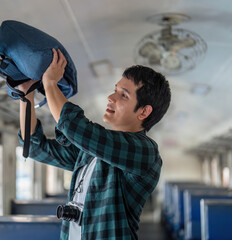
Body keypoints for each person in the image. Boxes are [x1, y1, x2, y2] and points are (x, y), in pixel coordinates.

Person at [18, 48, 171, 240]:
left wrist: (50, 83)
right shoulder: (90, 152)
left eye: (123, 95)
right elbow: (34, 147)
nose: (111, 97)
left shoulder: (145, 152)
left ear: (143, 112)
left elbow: (75, 127)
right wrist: (26, 95)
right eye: (115, 90)